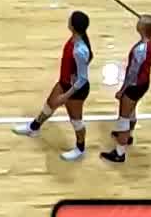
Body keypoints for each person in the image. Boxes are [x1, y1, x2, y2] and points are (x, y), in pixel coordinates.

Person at [15, 11, 94, 160]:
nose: (68, 20)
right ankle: (34, 128)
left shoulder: (80, 50)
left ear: (74, 26)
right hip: (64, 82)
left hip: (76, 91)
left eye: (70, 19)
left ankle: (80, 148)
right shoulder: (76, 39)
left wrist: (65, 96)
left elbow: (82, 79)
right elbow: (91, 57)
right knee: (50, 104)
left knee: (76, 121)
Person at [103, 14, 151, 163]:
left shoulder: (140, 49)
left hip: (134, 85)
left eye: (140, 23)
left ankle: (119, 153)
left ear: (143, 29)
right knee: (132, 109)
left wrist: (122, 90)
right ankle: (128, 136)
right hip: (144, 83)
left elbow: (132, 73)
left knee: (124, 118)